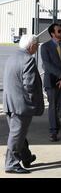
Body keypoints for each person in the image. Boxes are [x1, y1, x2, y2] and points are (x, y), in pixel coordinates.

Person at [3, 35, 44, 174]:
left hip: (9, 102)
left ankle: (26, 156)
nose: (37, 47)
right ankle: (11, 163)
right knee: (17, 135)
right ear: (31, 46)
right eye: (37, 45)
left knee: (18, 133)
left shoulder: (12, 57)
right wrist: (33, 102)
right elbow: (29, 85)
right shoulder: (28, 60)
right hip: (21, 105)